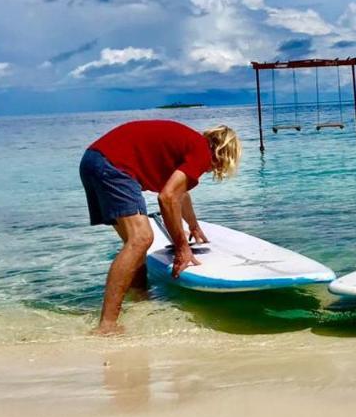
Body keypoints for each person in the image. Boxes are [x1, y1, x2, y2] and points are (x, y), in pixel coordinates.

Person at [79, 120, 241, 334]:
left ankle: (139, 298)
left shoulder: (190, 145)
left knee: (134, 244)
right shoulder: (201, 152)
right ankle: (107, 325)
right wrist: (182, 248)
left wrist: (193, 226)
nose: (214, 170)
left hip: (93, 160)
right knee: (142, 238)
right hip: (112, 165)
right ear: (223, 153)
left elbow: (180, 195)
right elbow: (167, 198)